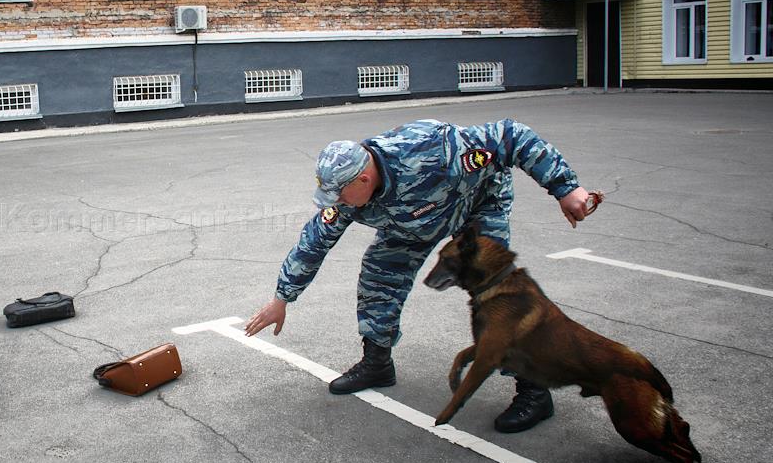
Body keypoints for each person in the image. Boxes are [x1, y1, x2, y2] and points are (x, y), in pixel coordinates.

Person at [245, 119, 595, 433]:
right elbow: (313, 242)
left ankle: (535, 390)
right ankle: (377, 363)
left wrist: (565, 188)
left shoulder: (435, 150)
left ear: (363, 179)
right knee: (378, 277)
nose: (336, 202)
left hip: (475, 205)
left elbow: (512, 135)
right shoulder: (348, 195)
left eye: (339, 194)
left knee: (496, 294)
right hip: (409, 223)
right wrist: (282, 299)